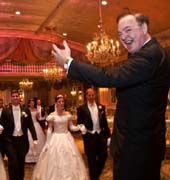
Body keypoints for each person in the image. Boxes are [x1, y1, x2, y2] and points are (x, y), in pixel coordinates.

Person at [52, 12, 170, 180]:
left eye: (128, 30)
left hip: (139, 150)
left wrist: (68, 63)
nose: (124, 37)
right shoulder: (143, 53)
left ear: (144, 27)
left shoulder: (151, 54)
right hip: (135, 145)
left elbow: (108, 77)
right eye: (120, 33)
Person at [32, 94, 89, 180]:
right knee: (54, 159)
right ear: (56, 103)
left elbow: (71, 127)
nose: (61, 103)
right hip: (56, 137)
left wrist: (79, 127)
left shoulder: (67, 114)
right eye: (59, 101)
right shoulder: (52, 115)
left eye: (62, 101)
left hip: (66, 137)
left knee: (70, 158)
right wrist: (48, 142)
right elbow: (50, 129)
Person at [0, 90, 37, 180]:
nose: (15, 97)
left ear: (19, 97)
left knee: (21, 162)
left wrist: (35, 137)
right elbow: (1, 123)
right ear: (11, 98)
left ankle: (20, 178)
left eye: (17, 96)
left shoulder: (25, 110)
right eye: (13, 96)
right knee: (12, 161)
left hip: (22, 141)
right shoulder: (5, 111)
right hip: (10, 141)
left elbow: (30, 124)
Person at [77, 88, 111, 180]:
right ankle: (94, 178)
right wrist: (82, 128)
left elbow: (105, 123)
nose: (91, 97)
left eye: (93, 95)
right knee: (91, 160)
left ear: (95, 95)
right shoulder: (81, 109)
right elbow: (79, 122)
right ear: (86, 96)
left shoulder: (101, 107)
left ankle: (94, 175)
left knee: (104, 156)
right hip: (89, 137)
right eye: (89, 95)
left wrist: (108, 136)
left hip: (100, 135)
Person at [25, 99, 46, 163]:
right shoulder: (26, 110)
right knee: (29, 140)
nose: (32, 104)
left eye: (33, 103)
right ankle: (28, 157)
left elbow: (38, 118)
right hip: (29, 126)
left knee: (37, 139)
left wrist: (44, 117)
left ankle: (37, 157)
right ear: (29, 104)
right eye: (31, 103)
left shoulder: (36, 110)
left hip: (36, 125)